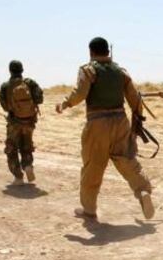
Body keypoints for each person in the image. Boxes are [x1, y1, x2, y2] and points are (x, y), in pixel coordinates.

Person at [55, 37, 155, 222]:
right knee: (126, 160)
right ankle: (142, 191)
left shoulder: (88, 69)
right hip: (120, 120)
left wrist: (65, 103)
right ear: (108, 51)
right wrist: (137, 121)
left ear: (91, 52)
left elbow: (80, 93)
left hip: (97, 123)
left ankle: (89, 209)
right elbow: (135, 98)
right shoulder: (121, 71)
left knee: (93, 166)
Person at [0, 60, 44, 185]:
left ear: (10, 71)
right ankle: (28, 165)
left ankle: (18, 177)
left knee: (11, 148)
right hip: (29, 121)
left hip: (14, 122)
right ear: (22, 70)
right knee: (26, 146)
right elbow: (40, 99)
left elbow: (4, 106)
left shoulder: (5, 86)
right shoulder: (30, 83)